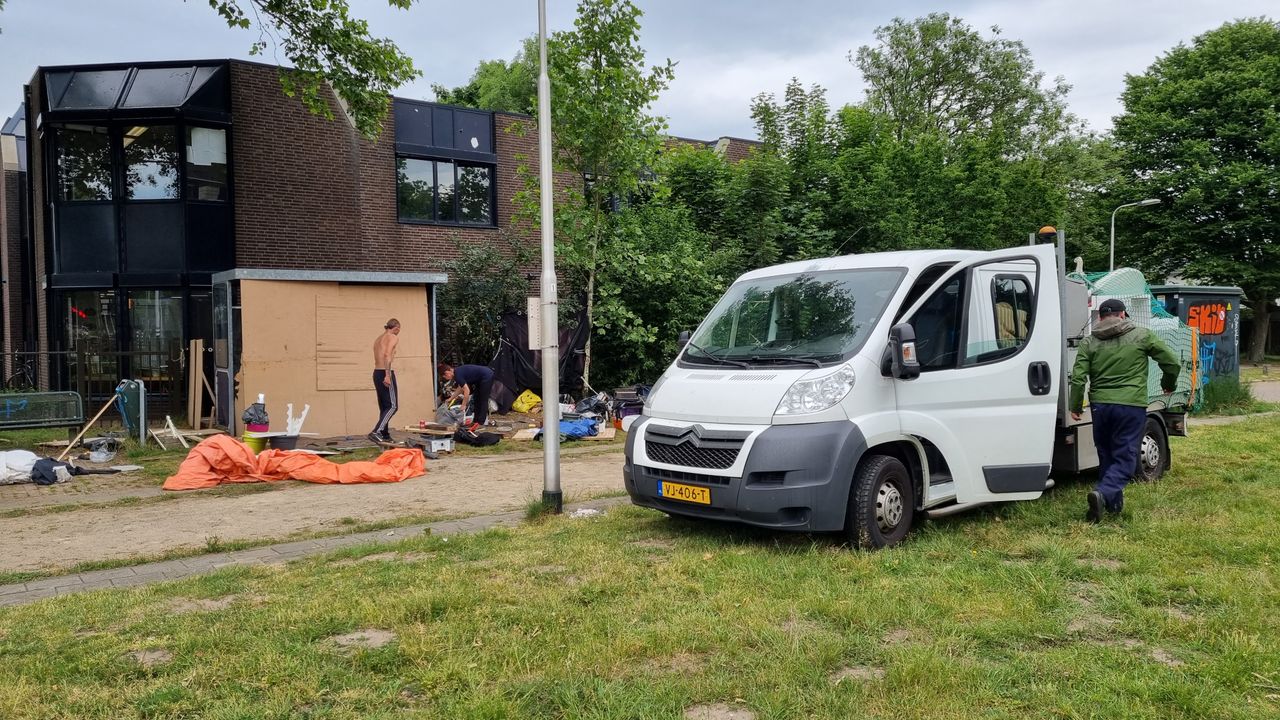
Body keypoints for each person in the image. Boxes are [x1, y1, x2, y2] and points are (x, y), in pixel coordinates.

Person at [1069, 298, 1180, 522]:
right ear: (1123, 315)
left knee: (1107, 454)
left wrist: (1075, 406)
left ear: (1100, 317)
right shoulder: (1142, 335)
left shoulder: (1089, 342)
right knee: (1127, 458)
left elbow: (1079, 378)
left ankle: (1112, 506)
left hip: (1101, 406)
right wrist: (1169, 384)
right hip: (1131, 405)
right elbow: (1171, 362)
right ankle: (1103, 493)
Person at [368, 319, 400, 445]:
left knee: (384, 407)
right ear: (396, 328)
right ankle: (376, 432)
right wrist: (387, 374)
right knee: (393, 406)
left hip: (376, 373)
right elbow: (387, 354)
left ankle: (385, 435)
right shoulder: (392, 337)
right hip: (384, 372)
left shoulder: (378, 339)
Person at [438, 362, 494, 433]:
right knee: (476, 398)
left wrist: (463, 405)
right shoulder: (457, 374)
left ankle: (480, 422)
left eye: (445, 376)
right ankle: (475, 421)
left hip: (487, 375)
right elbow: (460, 388)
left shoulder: (457, 374)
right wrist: (450, 399)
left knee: (483, 399)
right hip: (481, 378)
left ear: (447, 372)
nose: (446, 378)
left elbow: (467, 390)